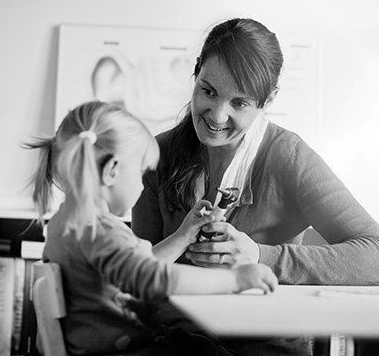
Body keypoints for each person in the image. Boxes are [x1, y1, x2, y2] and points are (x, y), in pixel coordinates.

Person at [132, 18, 379, 355]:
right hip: (173, 345)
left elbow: (375, 253)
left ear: (269, 99)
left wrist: (261, 257)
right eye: (208, 91)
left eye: (240, 102)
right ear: (196, 72)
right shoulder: (158, 154)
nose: (217, 116)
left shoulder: (288, 157)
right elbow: (135, 276)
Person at [26, 100, 277, 356]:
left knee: (197, 345)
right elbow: (154, 279)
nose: (143, 185)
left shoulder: (67, 224)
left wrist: (182, 236)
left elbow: (136, 270)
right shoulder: (99, 233)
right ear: (112, 170)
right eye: (141, 173)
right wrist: (235, 279)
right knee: (204, 350)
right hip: (121, 351)